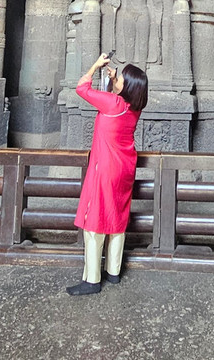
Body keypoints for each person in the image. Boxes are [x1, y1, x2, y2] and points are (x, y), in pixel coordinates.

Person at [67, 52, 149, 295]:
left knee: (94, 222)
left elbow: (81, 88)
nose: (118, 78)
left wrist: (95, 66)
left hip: (105, 168)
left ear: (127, 86)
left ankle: (92, 280)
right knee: (117, 217)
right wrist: (115, 82)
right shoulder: (134, 107)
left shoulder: (113, 104)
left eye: (121, 78)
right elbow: (117, 99)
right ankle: (113, 272)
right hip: (124, 168)